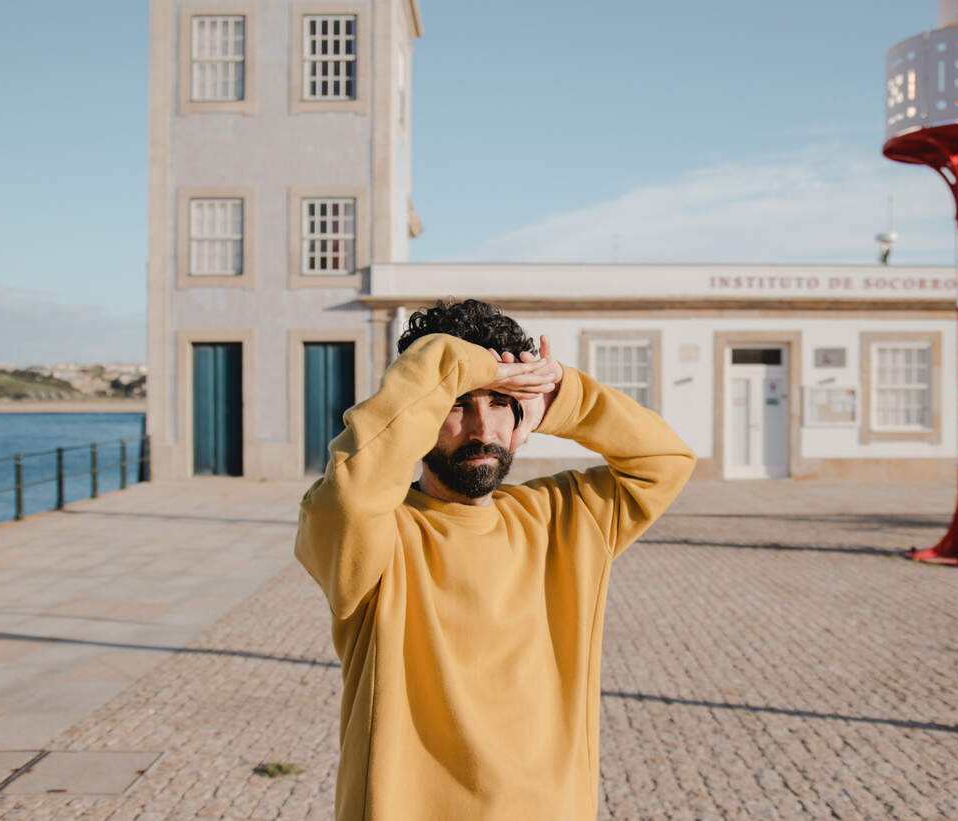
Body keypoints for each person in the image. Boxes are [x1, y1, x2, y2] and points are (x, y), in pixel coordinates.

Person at [295, 298, 695, 821]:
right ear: (419, 411)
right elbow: (352, 490)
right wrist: (452, 364)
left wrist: (560, 397)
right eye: (457, 404)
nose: (483, 429)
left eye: (501, 403)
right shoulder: (372, 533)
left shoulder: (563, 517)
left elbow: (666, 461)